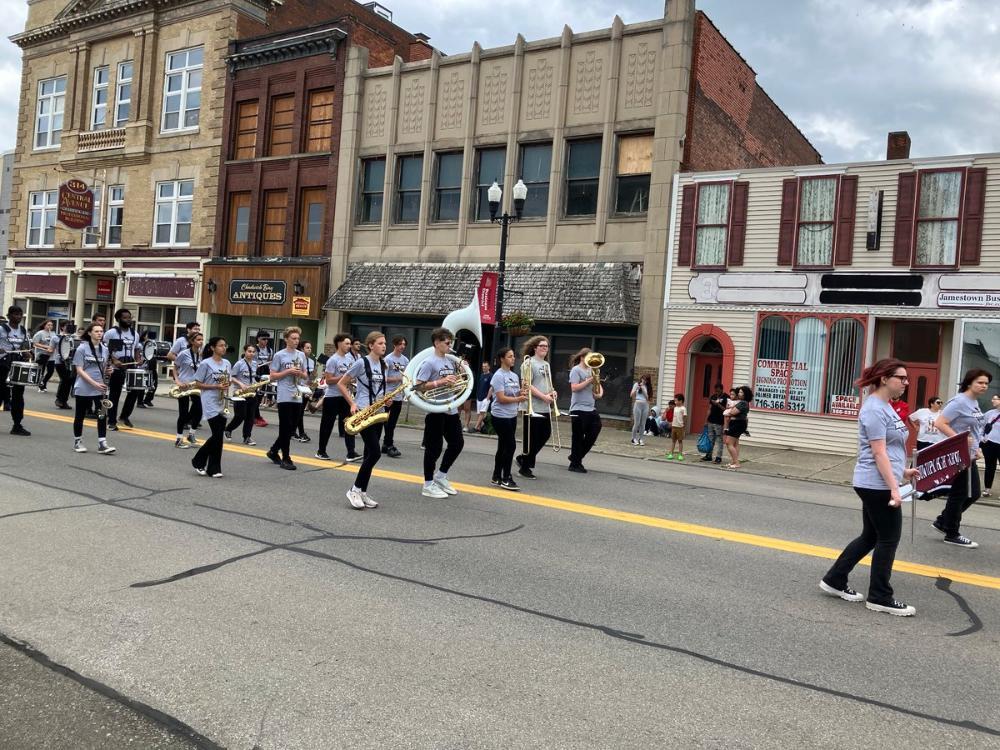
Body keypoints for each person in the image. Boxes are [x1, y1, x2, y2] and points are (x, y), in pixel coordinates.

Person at [821, 358, 917, 617]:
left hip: (880, 481)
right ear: (885, 379)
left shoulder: (886, 407)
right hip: (876, 484)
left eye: (907, 379)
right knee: (888, 538)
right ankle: (880, 596)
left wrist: (904, 472)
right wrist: (894, 489)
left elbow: (891, 449)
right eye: (902, 378)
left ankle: (834, 579)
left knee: (871, 536)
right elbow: (878, 452)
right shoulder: (874, 408)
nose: (906, 383)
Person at [932, 369, 990, 549]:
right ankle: (952, 533)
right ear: (969, 382)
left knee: (973, 494)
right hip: (957, 455)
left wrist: (977, 447)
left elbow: (974, 428)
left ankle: (943, 521)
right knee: (961, 494)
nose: (984, 386)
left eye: (986, 383)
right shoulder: (959, 402)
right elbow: (940, 423)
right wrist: (961, 439)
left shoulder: (974, 403)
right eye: (980, 382)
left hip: (969, 455)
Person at [339, 331, 389, 509]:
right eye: (380, 343)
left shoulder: (384, 364)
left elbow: (378, 388)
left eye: (385, 343)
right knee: (375, 452)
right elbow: (341, 383)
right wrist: (352, 403)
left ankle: (362, 492)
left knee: (370, 454)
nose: (384, 346)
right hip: (364, 411)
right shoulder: (361, 362)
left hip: (378, 412)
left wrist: (386, 400)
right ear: (371, 345)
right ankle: (354, 489)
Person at [415, 327, 465, 498]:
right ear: (437, 343)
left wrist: (458, 377)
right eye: (447, 342)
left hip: (450, 408)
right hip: (435, 409)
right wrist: (440, 382)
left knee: (457, 444)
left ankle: (441, 476)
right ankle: (428, 484)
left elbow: (453, 382)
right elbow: (419, 386)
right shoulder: (429, 362)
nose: (450, 344)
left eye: (450, 342)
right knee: (433, 449)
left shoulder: (450, 361)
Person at [70, 322, 116, 455]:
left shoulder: (105, 349)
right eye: (96, 331)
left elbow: (104, 368)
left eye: (101, 331)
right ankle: (77, 441)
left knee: (102, 415)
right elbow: (79, 370)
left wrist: (109, 371)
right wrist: (93, 383)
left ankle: (102, 443)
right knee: (80, 415)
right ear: (89, 333)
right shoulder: (82, 349)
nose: (100, 333)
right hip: (84, 386)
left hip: (100, 387)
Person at [266, 326, 308, 471]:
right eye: (293, 338)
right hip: (284, 394)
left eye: (298, 338)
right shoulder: (279, 355)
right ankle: (286, 457)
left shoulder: (301, 355)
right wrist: (288, 371)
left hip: (297, 393)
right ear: (286, 339)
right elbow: (272, 376)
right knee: (285, 426)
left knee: (291, 428)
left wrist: (300, 374)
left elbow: (305, 374)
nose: (296, 341)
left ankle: (273, 450)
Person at [315, 333, 361, 462]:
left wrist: (352, 380)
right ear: (339, 344)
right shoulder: (333, 360)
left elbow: (352, 375)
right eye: (346, 343)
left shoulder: (350, 359)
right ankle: (321, 451)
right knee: (327, 425)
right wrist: (343, 378)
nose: (349, 346)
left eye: (349, 343)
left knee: (349, 424)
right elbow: (328, 380)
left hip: (345, 396)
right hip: (332, 397)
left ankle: (351, 452)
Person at [191, 337, 232, 478]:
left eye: (225, 345)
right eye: (220, 346)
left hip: (222, 401)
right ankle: (209, 466)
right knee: (217, 434)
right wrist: (216, 386)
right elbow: (197, 383)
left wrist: (228, 383)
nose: (224, 348)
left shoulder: (227, 363)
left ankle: (205, 463)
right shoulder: (205, 363)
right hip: (209, 401)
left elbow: (229, 379)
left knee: (218, 436)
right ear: (213, 348)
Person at [516, 336, 556, 480]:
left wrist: (552, 392)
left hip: (544, 406)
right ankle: (525, 468)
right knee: (531, 438)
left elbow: (547, 383)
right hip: (531, 406)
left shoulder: (546, 364)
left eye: (547, 346)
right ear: (535, 347)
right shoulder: (528, 363)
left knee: (545, 434)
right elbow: (526, 385)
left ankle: (523, 459)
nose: (545, 348)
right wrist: (543, 396)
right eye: (542, 346)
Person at [489, 347, 526, 491]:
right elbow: (501, 398)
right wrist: (519, 398)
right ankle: (506, 477)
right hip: (500, 415)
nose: (513, 358)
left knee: (503, 446)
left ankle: (496, 476)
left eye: (513, 356)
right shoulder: (498, 376)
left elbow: (513, 392)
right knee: (510, 446)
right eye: (509, 356)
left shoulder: (514, 375)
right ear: (502, 359)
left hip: (511, 415)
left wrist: (520, 392)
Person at [103, 308, 143, 430]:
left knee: (135, 391)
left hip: (130, 364)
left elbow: (136, 348)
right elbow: (105, 348)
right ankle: (111, 421)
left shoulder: (134, 333)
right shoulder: (111, 333)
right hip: (117, 366)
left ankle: (124, 416)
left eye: (129, 317)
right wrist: (114, 360)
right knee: (115, 394)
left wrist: (138, 359)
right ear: (119, 319)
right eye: (125, 318)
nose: (128, 320)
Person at [568, 348, 603, 472]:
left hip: (590, 408)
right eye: (588, 357)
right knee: (577, 437)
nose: (591, 360)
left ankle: (575, 457)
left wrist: (599, 392)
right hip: (578, 408)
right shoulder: (576, 370)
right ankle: (575, 464)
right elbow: (574, 388)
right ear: (582, 357)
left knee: (595, 430)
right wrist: (589, 381)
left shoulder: (592, 370)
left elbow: (599, 387)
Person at [0, 306, 31, 436]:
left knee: (19, 396)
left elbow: (25, 347)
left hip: (17, 365)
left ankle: (17, 425)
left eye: (20, 314)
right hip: (2, 364)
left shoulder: (23, 331)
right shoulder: (2, 329)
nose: (18, 317)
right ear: (9, 315)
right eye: (16, 314)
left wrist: (27, 354)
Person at [171, 332, 204, 448]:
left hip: (196, 386)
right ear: (192, 341)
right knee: (183, 413)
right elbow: (175, 368)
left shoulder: (200, 355)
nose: (201, 342)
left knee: (199, 410)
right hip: (184, 385)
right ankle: (179, 439)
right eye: (198, 340)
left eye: (202, 340)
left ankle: (191, 434)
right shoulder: (184, 354)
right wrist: (178, 381)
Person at [225, 344, 258, 446]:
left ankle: (247, 437)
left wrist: (256, 384)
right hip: (240, 393)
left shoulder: (255, 364)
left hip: (251, 393)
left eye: (253, 352)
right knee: (240, 416)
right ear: (244, 351)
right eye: (249, 351)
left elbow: (253, 377)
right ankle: (228, 429)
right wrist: (241, 384)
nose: (251, 353)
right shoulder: (239, 364)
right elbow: (232, 377)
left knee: (250, 417)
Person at [382, 335, 409, 457]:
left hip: (398, 395)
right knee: (387, 422)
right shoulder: (388, 359)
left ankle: (385, 445)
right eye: (400, 344)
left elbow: (408, 376)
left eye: (404, 344)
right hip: (388, 394)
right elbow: (384, 378)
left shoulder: (405, 360)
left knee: (392, 422)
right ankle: (389, 445)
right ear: (394, 345)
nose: (402, 346)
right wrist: (399, 378)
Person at [723, 387, 752, 469]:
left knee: (728, 442)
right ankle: (733, 461)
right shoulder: (742, 402)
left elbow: (732, 412)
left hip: (737, 424)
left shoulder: (743, 403)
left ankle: (736, 462)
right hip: (737, 423)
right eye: (739, 392)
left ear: (745, 394)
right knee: (735, 443)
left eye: (741, 392)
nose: (739, 394)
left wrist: (730, 411)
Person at [293, 340, 316, 443]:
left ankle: (293, 431)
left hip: (306, 388)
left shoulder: (311, 361)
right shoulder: (297, 359)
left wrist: (311, 383)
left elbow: (311, 376)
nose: (309, 350)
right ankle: (301, 433)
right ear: (302, 349)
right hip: (297, 387)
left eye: (310, 348)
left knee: (300, 411)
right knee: (298, 411)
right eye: (307, 348)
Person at [52, 320, 77, 409]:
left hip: (71, 362)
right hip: (60, 362)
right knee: (65, 379)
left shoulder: (73, 337)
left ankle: (63, 401)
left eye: (71, 325)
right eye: (67, 325)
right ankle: (59, 399)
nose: (69, 327)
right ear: (62, 327)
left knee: (69, 381)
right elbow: (51, 349)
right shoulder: (56, 337)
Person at [702, 383, 728, 464]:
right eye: (715, 390)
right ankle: (708, 455)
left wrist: (718, 404)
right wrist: (706, 420)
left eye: (718, 390)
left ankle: (718, 457)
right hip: (711, 421)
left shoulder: (726, 397)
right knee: (710, 440)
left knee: (719, 440)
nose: (717, 392)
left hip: (719, 422)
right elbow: (709, 409)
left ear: (721, 389)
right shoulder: (713, 397)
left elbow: (726, 410)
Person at [252, 331, 273, 425]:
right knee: (255, 394)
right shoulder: (254, 349)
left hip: (265, 371)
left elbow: (269, 362)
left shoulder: (269, 350)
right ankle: (255, 416)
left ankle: (255, 415)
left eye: (267, 339)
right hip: (255, 371)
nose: (266, 341)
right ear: (258, 339)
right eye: (263, 339)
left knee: (260, 395)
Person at [981, 394, 1000, 498]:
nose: (992, 400)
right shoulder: (989, 413)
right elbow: (981, 426)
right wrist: (981, 438)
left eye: (995, 399)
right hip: (989, 444)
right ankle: (987, 489)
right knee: (989, 467)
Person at [137, 330, 160, 408]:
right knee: (142, 385)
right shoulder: (140, 345)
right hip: (143, 367)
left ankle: (148, 399)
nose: (149, 337)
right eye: (147, 335)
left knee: (154, 383)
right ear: (144, 336)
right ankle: (139, 402)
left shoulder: (153, 344)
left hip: (151, 367)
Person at [32, 319, 56, 392]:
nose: (50, 326)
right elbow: (35, 343)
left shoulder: (53, 334)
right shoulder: (40, 333)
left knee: (51, 371)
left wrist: (53, 348)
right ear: (44, 325)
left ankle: (44, 382)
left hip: (51, 355)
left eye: (51, 325)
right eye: (48, 325)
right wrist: (46, 347)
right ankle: (41, 385)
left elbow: (55, 343)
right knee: (41, 371)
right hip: (42, 354)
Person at [630, 374, 651, 446]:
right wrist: (637, 389)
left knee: (643, 423)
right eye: (643, 379)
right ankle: (633, 438)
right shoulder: (636, 384)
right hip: (638, 404)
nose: (644, 381)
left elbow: (648, 398)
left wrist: (643, 389)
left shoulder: (647, 387)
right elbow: (631, 395)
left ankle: (641, 439)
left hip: (645, 405)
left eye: (646, 380)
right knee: (637, 423)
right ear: (641, 378)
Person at [473, 361, 492, 433]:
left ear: (489, 367)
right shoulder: (481, 375)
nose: (484, 368)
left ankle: (475, 427)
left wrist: (487, 398)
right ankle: (479, 428)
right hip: (479, 397)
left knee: (482, 413)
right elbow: (479, 386)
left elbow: (491, 387)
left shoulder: (491, 376)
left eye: (485, 366)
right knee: (478, 413)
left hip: (485, 398)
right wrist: (477, 396)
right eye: (483, 366)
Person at [666, 394, 687, 460]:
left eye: (676, 400)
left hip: (680, 427)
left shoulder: (683, 408)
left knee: (680, 441)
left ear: (681, 401)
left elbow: (685, 417)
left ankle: (680, 454)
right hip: (674, 426)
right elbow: (673, 416)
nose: (675, 402)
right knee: (673, 441)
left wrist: (684, 426)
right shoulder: (675, 408)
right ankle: (671, 453)